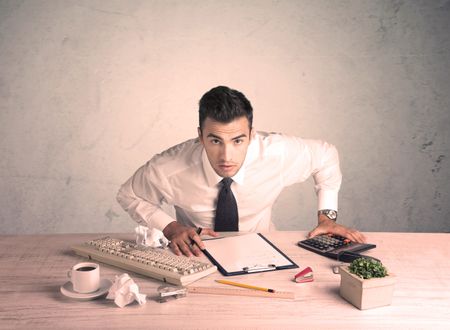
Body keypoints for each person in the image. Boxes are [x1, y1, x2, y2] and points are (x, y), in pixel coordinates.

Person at [117, 86, 366, 257]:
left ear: (251, 135)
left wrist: (327, 219)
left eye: (237, 141)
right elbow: (129, 195)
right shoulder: (170, 167)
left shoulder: (275, 153)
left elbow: (326, 155)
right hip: (195, 254)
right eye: (215, 141)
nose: (226, 156)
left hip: (264, 250)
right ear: (200, 136)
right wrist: (170, 227)